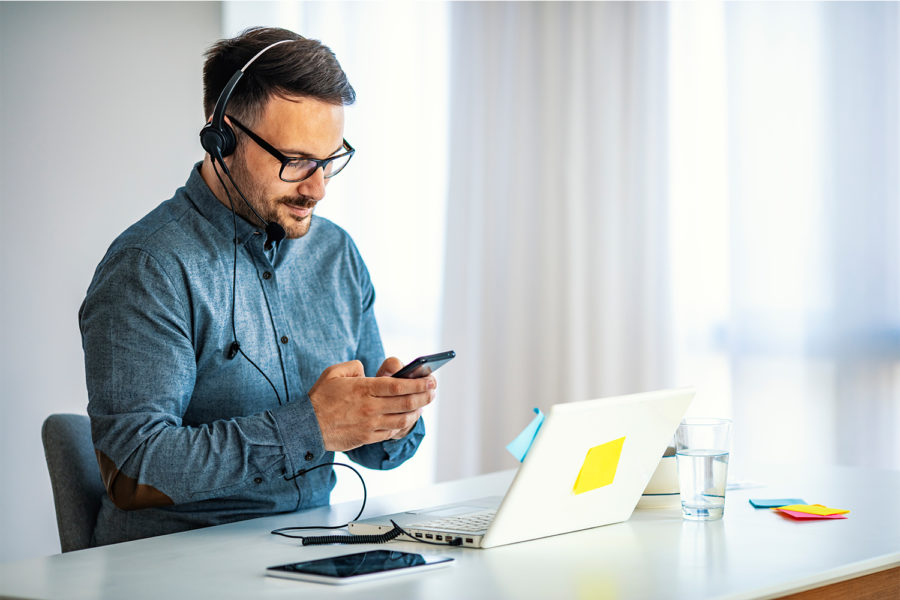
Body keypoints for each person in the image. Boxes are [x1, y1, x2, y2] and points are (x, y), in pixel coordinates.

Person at [79, 27, 435, 546]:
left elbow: (376, 453)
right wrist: (312, 427)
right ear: (222, 137)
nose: (316, 187)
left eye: (330, 160)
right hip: (178, 570)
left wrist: (390, 416)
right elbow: (134, 470)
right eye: (295, 161)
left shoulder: (336, 255)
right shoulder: (149, 267)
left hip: (314, 551)